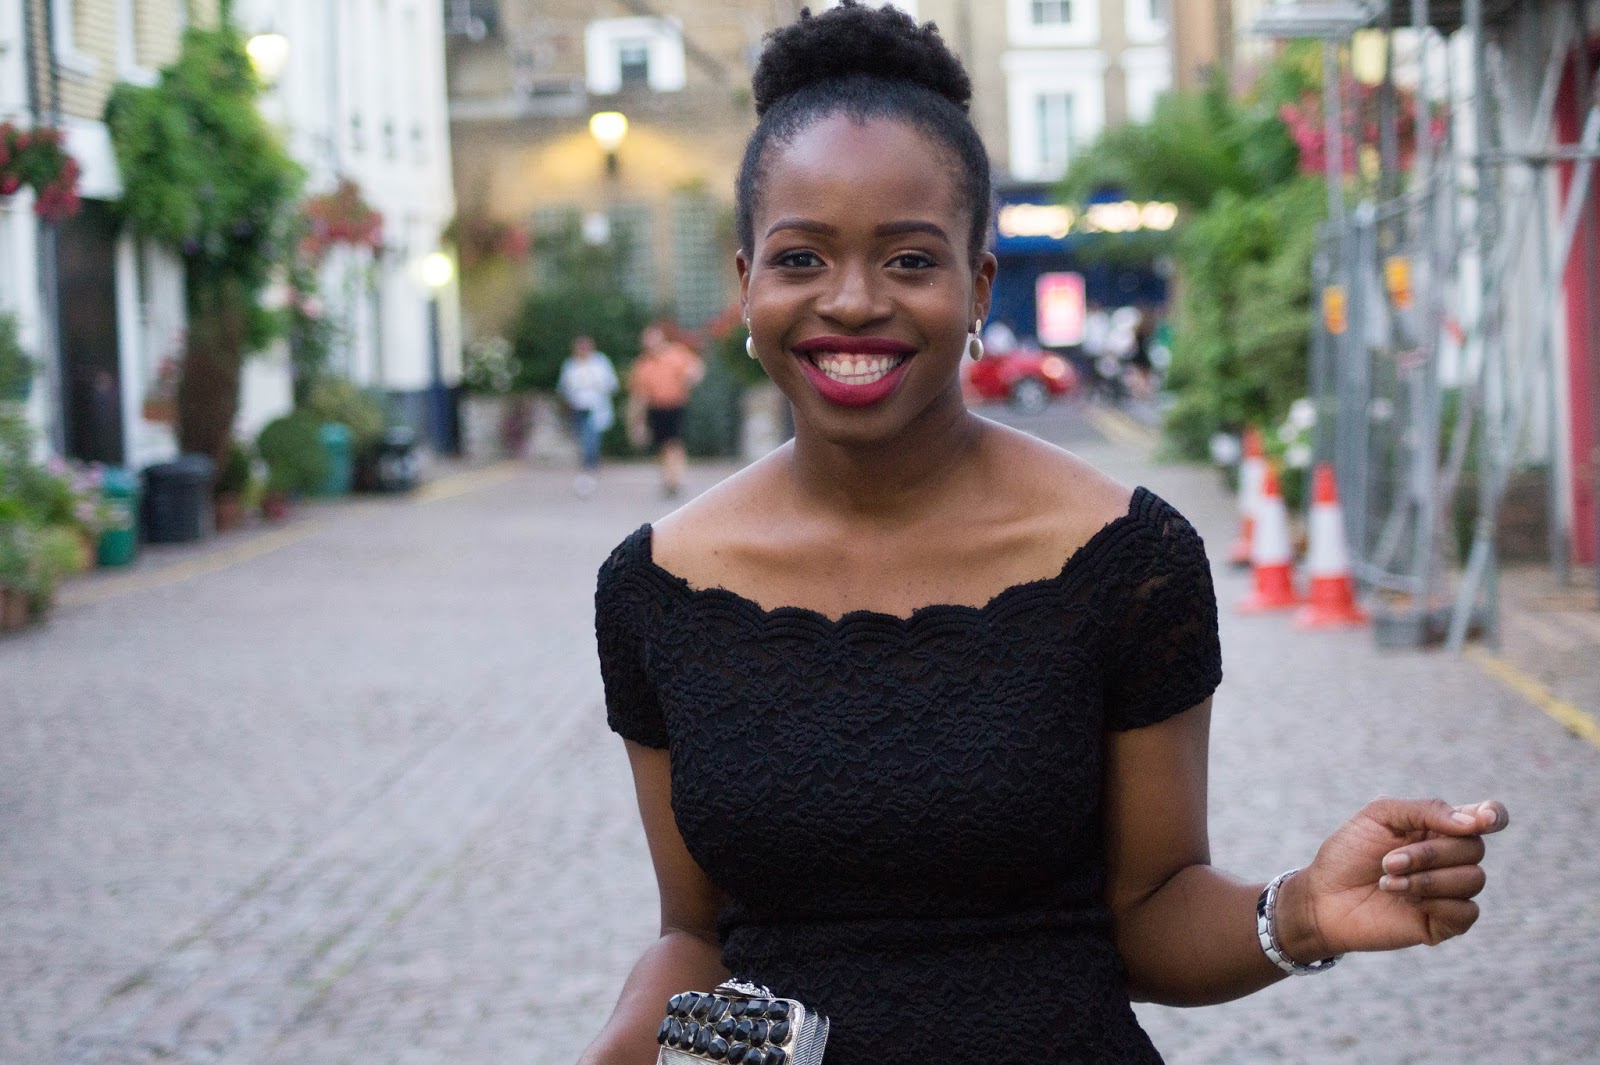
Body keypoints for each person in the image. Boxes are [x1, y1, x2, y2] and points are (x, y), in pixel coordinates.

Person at [583, 6, 1508, 1064]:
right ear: (746, 282)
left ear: (977, 287)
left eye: (909, 260)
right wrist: (620, 1040)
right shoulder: (655, 587)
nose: (850, 301)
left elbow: (1152, 913)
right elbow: (696, 934)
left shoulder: (1123, 558)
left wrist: (1298, 912)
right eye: (801, 258)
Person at [627, 323, 704, 498]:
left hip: (675, 405)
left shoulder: (676, 354)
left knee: (674, 443)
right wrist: (638, 421)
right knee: (662, 445)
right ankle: (667, 478)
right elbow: (640, 395)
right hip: (657, 408)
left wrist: (690, 379)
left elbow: (695, 369)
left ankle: (675, 479)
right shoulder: (644, 365)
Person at [557, 335, 618, 498]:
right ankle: (587, 467)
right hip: (578, 408)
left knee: (591, 439)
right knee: (583, 439)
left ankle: (589, 468)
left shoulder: (600, 362)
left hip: (595, 408)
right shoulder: (570, 365)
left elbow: (611, 384)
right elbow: (564, 388)